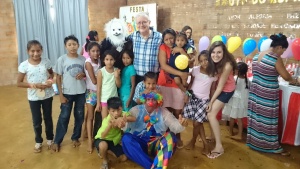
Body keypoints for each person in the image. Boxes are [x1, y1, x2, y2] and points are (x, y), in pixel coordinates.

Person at [247, 33, 300, 156]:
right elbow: (286, 76)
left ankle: (255, 142)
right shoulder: (275, 58)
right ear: (280, 47)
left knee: (256, 117)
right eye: (284, 50)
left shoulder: (258, 54)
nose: (283, 53)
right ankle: (270, 146)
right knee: (268, 119)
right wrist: (296, 80)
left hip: (256, 92)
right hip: (267, 93)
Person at [121, 92, 188, 169]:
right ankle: (153, 166)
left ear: (158, 101)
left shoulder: (164, 112)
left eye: (153, 100)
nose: (150, 102)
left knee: (171, 137)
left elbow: (175, 127)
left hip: (156, 145)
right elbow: (127, 125)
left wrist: (181, 124)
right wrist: (123, 124)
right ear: (144, 100)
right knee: (126, 138)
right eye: (148, 99)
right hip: (139, 143)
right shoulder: (136, 110)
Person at [17, 40, 55, 153]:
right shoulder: (24, 65)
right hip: (33, 98)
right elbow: (19, 83)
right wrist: (32, 85)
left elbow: (52, 75)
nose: (36, 53)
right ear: (28, 51)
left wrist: (50, 81)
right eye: (32, 51)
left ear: (41, 50)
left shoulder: (46, 62)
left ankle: (50, 139)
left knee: (48, 118)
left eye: (38, 50)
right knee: (36, 120)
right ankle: (38, 141)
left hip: (47, 95)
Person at [52, 35, 86, 152]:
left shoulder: (83, 59)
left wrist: (84, 74)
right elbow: (58, 78)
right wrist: (60, 95)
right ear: (65, 46)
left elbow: (87, 73)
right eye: (69, 45)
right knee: (64, 116)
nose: (72, 47)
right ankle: (57, 141)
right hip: (67, 93)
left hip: (81, 92)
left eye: (74, 44)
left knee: (80, 116)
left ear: (78, 45)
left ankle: (75, 137)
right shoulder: (62, 59)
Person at [157, 28, 189, 148]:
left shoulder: (181, 48)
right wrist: (180, 74)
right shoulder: (163, 48)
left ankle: (178, 136)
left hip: (177, 85)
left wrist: (181, 50)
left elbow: (189, 63)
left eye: (171, 38)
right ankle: (166, 137)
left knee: (177, 111)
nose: (169, 41)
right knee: (165, 110)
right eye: (166, 39)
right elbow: (164, 66)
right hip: (164, 83)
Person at [205, 41, 237, 159]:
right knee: (211, 113)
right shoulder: (213, 62)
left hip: (226, 90)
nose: (216, 55)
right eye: (213, 52)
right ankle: (212, 136)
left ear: (224, 52)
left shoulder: (227, 65)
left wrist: (211, 101)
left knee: (211, 114)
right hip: (219, 88)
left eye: (219, 52)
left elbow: (221, 86)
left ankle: (219, 147)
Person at [182, 50, 217, 155]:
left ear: (210, 60)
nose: (204, 63)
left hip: (204, 101)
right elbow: (190, 84)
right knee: (198, 122)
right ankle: (203, 144)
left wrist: (211, 103)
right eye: (201, 61)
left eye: (206, 60)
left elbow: (213, 90)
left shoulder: (213, 74)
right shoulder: (195, 70)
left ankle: (194, 141)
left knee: (197, 122)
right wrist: (186, 95)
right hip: (193, 98)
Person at [94, 97, 136, 169]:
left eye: (118, 110)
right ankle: (105, 161)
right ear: (108, 111)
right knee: (103, 145)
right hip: (102, 139)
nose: (116, 113)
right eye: (113, 111)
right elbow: (103, 136)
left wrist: (124, 119)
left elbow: (134, 118)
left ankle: (105, 152)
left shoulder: (122, 114)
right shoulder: (107, 121)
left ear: (121, 108)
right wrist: (110, 126)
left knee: (124, 158)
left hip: (113, 142)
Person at [129, 12, 162, 84]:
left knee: (154, 96)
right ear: (136, 24)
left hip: (154, 78)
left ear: (149, 22)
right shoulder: (132, 37)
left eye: (144, 22)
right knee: (139, 95)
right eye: (139, 23)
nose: (141, 25)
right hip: (137, 78)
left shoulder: (159, 37)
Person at [222, 62, 249, 140]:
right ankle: (239, 134)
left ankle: (231, 132)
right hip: (241, 103)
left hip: (233, 101)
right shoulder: (247, 81)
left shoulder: (234, 78)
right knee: (240, 119)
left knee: (232, 118)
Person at [84, 42, 101, 153]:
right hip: (91, 92)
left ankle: (96, 137)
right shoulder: (88, 63)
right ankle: (90, 141)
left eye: (97, 51)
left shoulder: (99, 61)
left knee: (98, 117)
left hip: (99, 92)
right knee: (91, 117)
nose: (95, 53)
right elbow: (94, 81)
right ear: (88, 52)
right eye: (93, 51)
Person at [95, 50, 121, 119]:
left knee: (115, 119)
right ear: (104, 60)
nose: (109, 62)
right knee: (105, 121)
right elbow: (99, 88)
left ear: (114, 60)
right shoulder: (101, 72)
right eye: (107, 59)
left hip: (114, 99)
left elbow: (119, 85)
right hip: (104, 100)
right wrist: (98, 103)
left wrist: (117, 76)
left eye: (111, 59)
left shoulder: (116, 70)